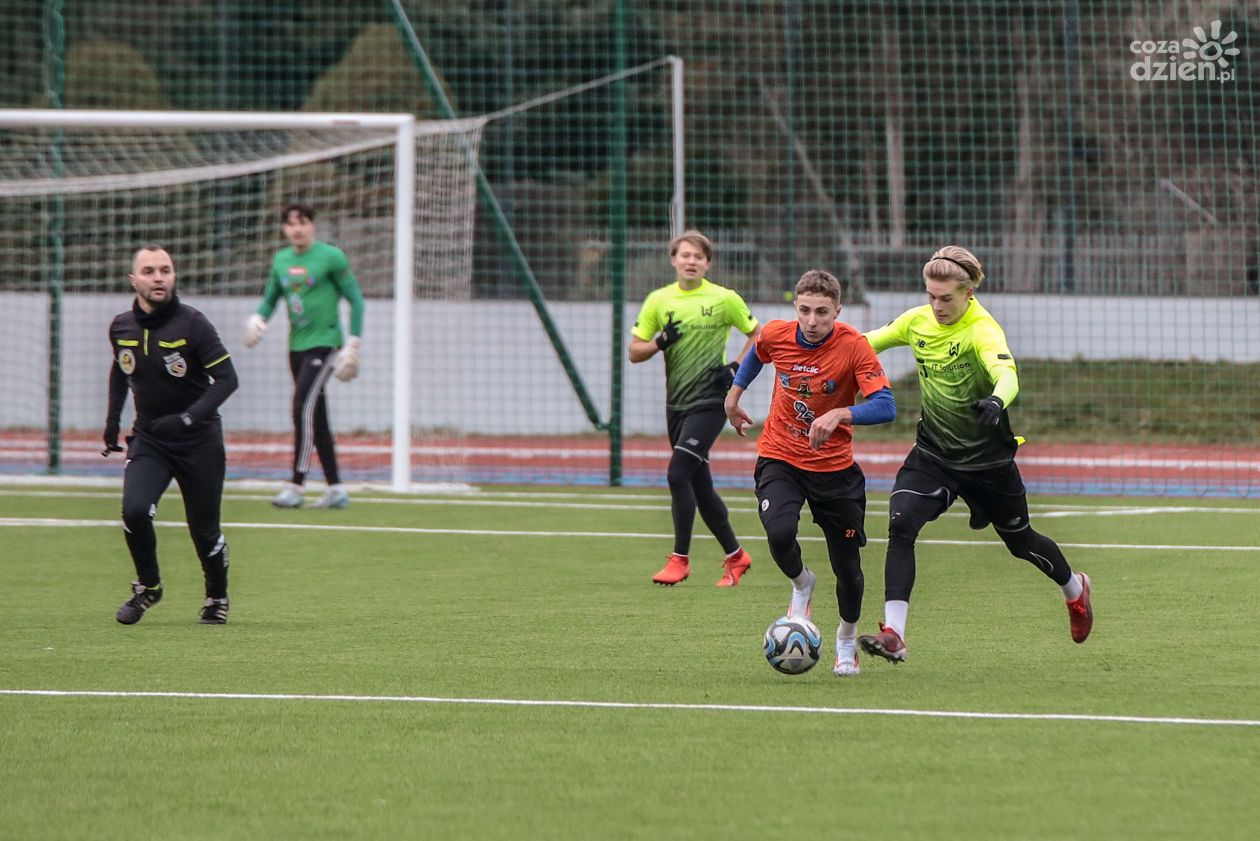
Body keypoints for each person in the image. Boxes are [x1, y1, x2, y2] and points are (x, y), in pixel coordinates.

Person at [857, 246, 1094, 665]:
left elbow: (1006, 373)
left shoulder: (983, 329)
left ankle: (1075, 591)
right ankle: (894, 634)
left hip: (988, 463)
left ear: (969, 293)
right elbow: (862, 345)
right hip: (933, 455)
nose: (937, 306)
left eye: (946, 298)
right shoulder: (916, 322)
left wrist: (997, 401)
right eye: (931, 296)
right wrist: (816, 350)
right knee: (901, 525)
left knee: (1021, 543)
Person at [725, 269, 895, 676]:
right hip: (780, 456)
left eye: (821, 312)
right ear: (795, 307)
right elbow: (758, 353)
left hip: (835, 470)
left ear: (838, 311)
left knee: (848, 569)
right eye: (804, 310)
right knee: (779, 534)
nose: (812, 321)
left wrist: (841, 413)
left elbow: (886, 405)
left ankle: (846, 639)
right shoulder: (777, 334)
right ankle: (802, 582)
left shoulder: (854, 346)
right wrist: (733, 396)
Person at [103, 245, 239, 625]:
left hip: (199, 441)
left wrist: (189, 419)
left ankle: (216, 597)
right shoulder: (121, 327)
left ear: (174, 277)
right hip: (150, 439)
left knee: (204, 531)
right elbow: (121, 370)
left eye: (165, 270)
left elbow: (227, 379)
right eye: (149, 271)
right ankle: (149, 588)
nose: (158, 277)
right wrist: (112, 421)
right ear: (134, 280)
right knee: (134, 511)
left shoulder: (193, 324)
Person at [629, 230, 761, 587]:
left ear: (707, 263)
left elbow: (758, 335)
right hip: (676, 405)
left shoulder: (723, 299)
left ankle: (680, 559)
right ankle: (737, 556)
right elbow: (634, 352)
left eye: (698, 257)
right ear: (673, 260)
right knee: (700, 486)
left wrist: (737, 367)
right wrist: (660, 342)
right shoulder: (659, 300)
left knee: (677, 473)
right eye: (685, 255)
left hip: (710, 401)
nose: (691, 261)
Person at [243, 203, 364, 509]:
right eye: (290, 223)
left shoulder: (331, 257)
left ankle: (296, 485)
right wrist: (258, 318)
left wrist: (353, 343)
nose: (297, 229)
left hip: (326, 344)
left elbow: (356, 300)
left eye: (303, 222)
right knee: (316, 416)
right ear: (284, 228)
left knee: (301, 408)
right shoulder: (281, 260)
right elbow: (271, 298)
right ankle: (336, 489)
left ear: (313, 225)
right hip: (296, 347)